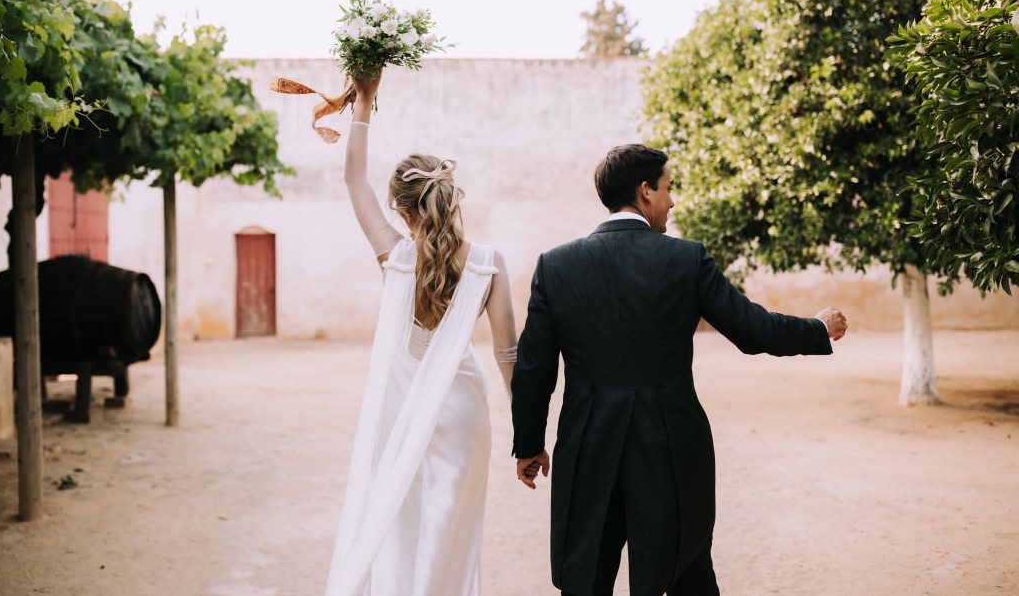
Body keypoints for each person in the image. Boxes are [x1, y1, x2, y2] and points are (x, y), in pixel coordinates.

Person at [511, 143, 848, 596]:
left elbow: (534, 366)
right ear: (645, 191)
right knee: (685, 576)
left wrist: (530, 445)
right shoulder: (686, 259)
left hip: (589, 446)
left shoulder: (556, 265)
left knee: (585, 580)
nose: (672, 201)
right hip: (669, 447)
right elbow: (752, 330)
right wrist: (817, 329)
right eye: (668, 189)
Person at [325, 71, 518, 595]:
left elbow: (353, 179)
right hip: (460, 411)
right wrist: (527, 436)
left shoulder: (393, 255)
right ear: (449, 197)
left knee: (399, 527)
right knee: (449, 529)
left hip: (400, 406)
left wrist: (363, 102)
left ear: (399, 208)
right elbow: (508, 354)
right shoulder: (488, 263)